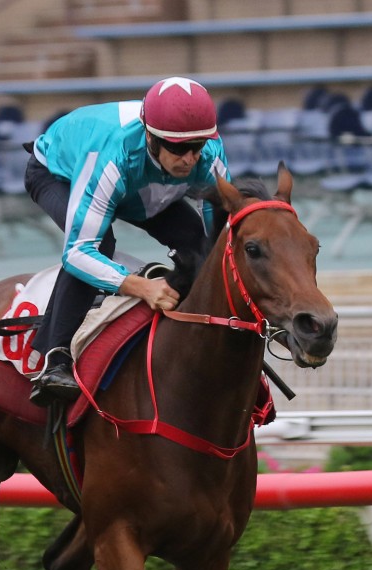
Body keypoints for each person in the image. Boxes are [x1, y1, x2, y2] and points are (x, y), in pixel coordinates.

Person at [23, 76, 232, 405]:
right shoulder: (114, 155)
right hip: (60, 173)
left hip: (140, 185)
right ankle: (55, 357)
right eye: (179, 148)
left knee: (200, 247)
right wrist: (141, 287)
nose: (190, 159)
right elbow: (78, 253)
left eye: (197, 146)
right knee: (100, 244)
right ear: (150, 137)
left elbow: (221, 239)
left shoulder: (210, 154)